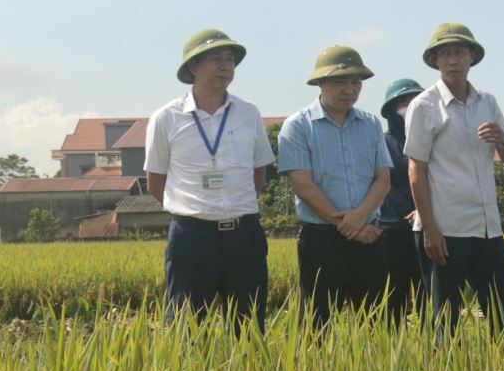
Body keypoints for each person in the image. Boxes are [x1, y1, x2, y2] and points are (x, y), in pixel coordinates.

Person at [145, 28, 274, 326]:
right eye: (216, 58)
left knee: (249, 327)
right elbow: (156, 181)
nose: (225, 65)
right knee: (187, 328)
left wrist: (234, 206)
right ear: (193, 66)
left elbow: (258, 171)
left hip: (245, 235)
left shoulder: (248, 113)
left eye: (229, 59)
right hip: (192, 238)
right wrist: (196, 210)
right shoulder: (166, 118)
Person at [404, 23, 504, 330]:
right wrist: (429, 229)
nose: (453, 59)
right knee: (445, 318)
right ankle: (445, 363)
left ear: (472, 58)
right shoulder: (424, 106)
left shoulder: (488, 102)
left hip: (486, 226)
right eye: (445, 54)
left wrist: (502, 139)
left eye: (459, 52)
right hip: (445, 227)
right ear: (435, 60)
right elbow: (416, 169)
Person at [277, 45, 391, 326]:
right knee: (317, 325)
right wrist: (351, 226)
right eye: (341, 81)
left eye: (356, 82)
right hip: (321, 241)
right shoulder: (297, 126)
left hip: (369, 238)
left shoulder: (371, 124)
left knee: (377, 325)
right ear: (320, 82)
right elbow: (303, 186)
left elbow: (383, 179)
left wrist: (360, 218)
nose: (349, 89)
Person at [379, 78, 424, 318]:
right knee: (394, 294)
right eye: (403, 102)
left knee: (428, 292)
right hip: (393, 229)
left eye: (415, 100)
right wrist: (408, 211)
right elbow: (382, 184)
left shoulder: (431, 139)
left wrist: (423, 211)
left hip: (428, 227)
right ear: (390, 110)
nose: (410, 106)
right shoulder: (382, 143)